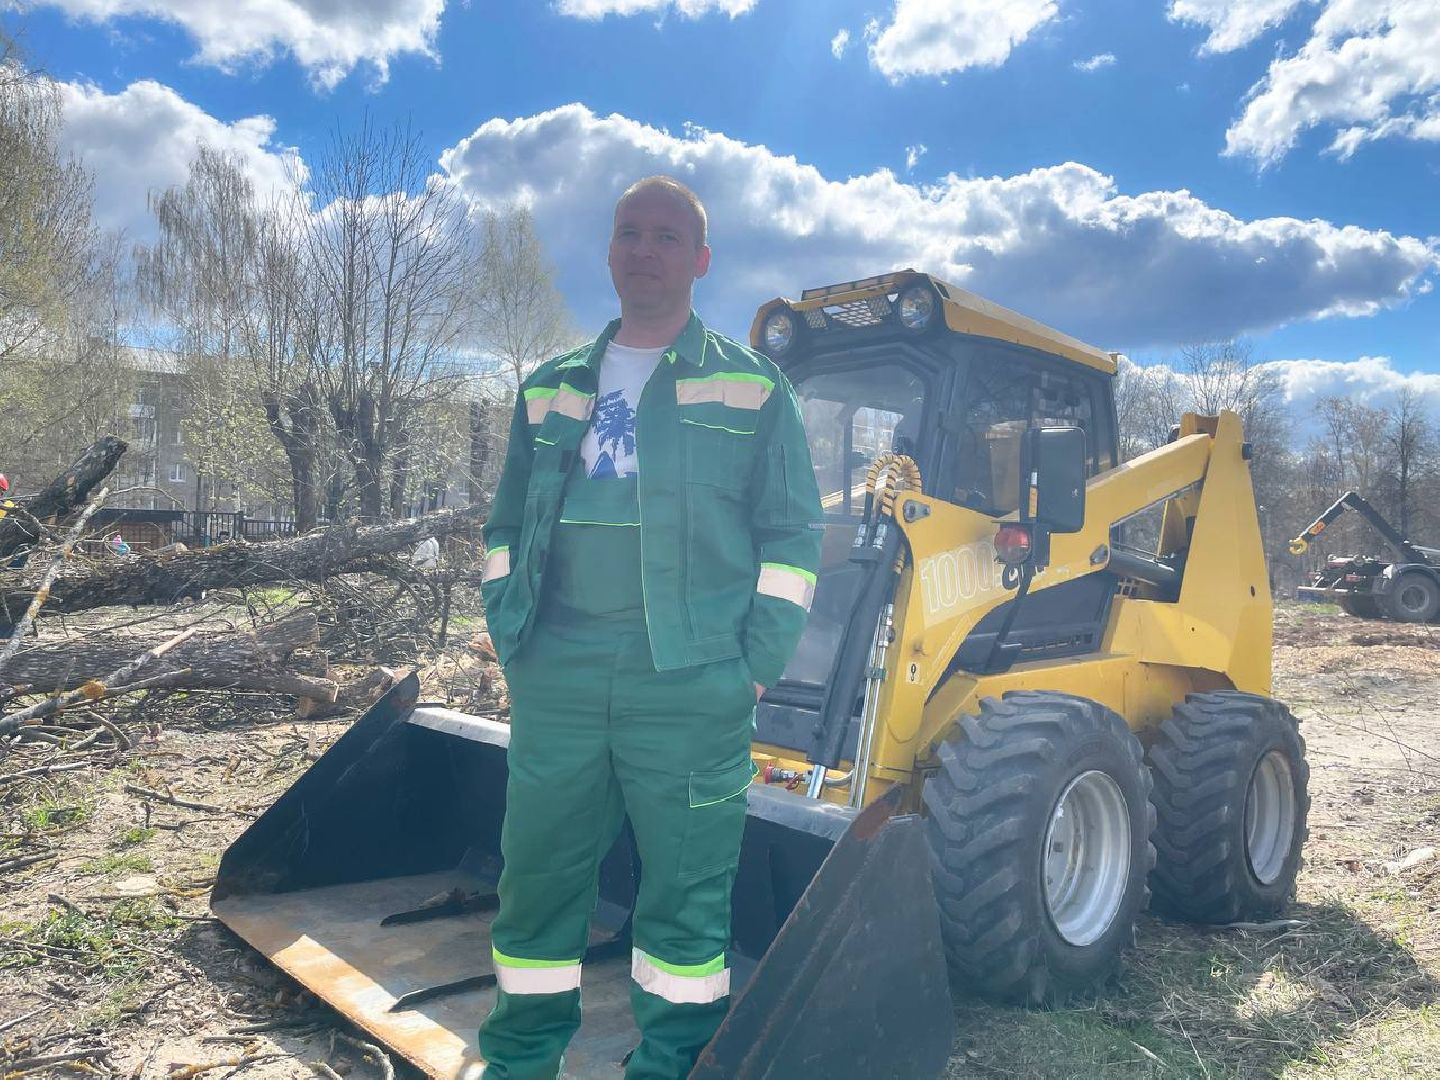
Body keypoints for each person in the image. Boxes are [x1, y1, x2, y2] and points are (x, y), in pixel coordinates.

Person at [477, 176, 823, 1080]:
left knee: (684, 902)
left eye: (667, 236)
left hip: (690, 682)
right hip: (559, 669)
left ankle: (668, 1069)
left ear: (700, 260)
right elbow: (505, 529)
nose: (645, 249)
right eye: (629, 232)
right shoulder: (549, 388)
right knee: (537, 884)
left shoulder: (754, 389)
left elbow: (793, 538)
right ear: (609, 251)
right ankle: (518, 1065)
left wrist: (752, 667)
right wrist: (515, 638)